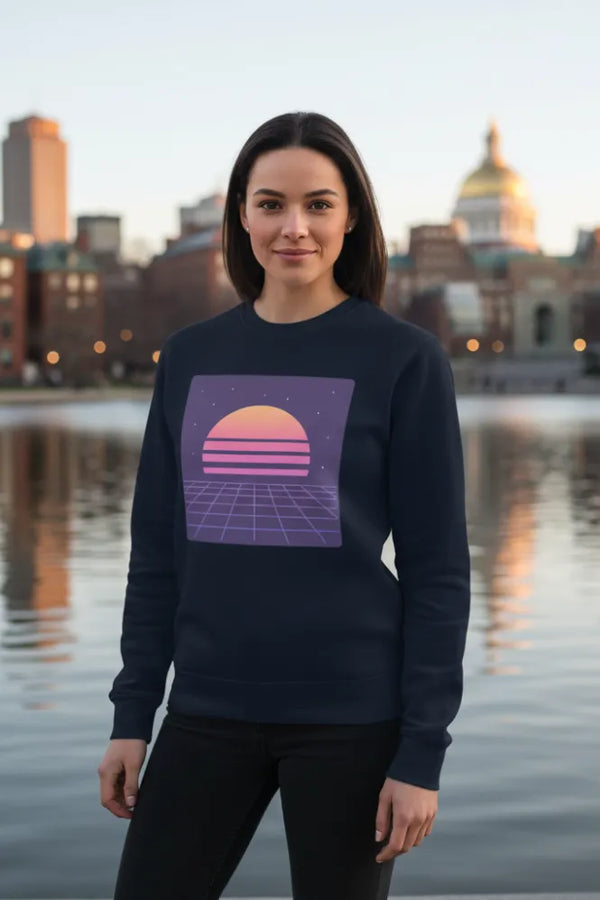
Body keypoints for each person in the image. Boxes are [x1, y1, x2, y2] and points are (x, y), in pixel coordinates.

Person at [97, 111, 471, 900]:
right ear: (241, 213)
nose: (293, 227)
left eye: (318, 204)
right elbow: (157, 553)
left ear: (353, 216)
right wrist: (134, 711)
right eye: (270, 204)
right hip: (206, 709)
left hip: (352, 720)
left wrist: (421, 754)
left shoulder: (404, 359)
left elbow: (439, 572)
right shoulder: (193, 358)